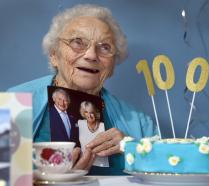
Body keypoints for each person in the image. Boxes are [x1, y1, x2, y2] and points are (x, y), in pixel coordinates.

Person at [8, 4, 157, 174]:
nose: (92, 55)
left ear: (113, 64)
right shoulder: (14, 105)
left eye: (105, 47)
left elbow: (167, 172)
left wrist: (134, 149)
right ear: (54, 55)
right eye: (78, 42)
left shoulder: (139, 123)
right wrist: (51, 181)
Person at [78, 101, 109, 167]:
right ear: (83, 113)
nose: (89, 115)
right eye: (86, 112)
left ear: (95, 113)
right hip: (84, 165)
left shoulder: (103, 126)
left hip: (102, 166)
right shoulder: (80, 123)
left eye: (91, 112)